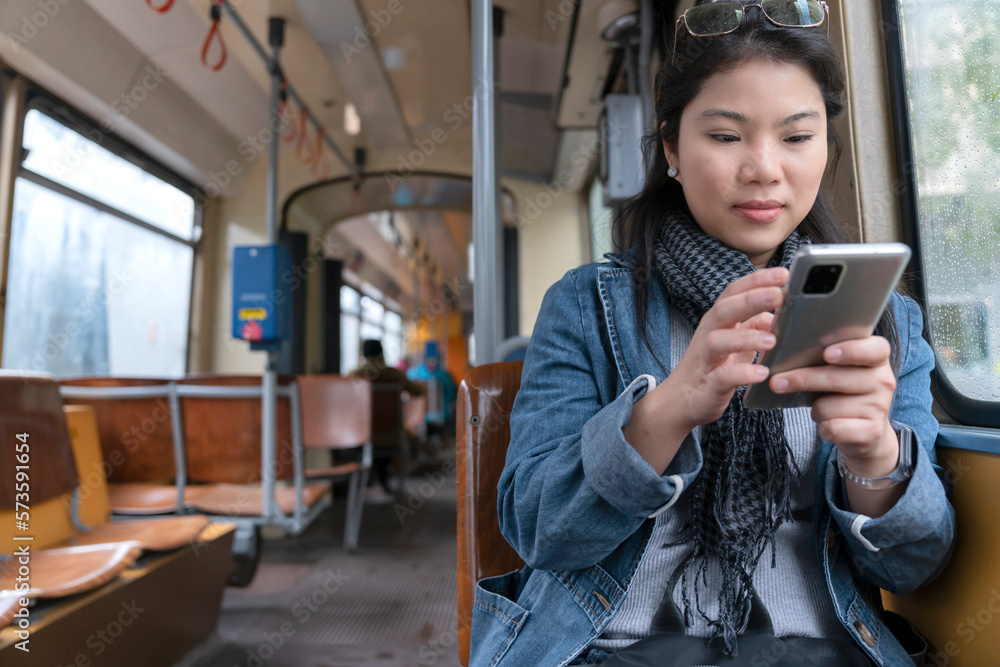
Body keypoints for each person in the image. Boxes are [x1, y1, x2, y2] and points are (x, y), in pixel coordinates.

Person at [471, 3, 955, 666]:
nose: (762, 168)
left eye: (796, 136)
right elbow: (539, 531)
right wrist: (667, 407)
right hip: (610, 648)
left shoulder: (885, 322)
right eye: (726, 136)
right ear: (671, 145)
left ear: (827, 149)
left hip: (814, 649)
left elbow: (916, 566)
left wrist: (876, 457)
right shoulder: (586, 305)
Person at [349, 339, 423, 494]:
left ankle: (373, 477)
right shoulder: (393, 374)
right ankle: (383, 476)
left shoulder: (354, 375)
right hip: (392, 433)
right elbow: (417, 391)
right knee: (391, 437)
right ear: (381, 352)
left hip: (362, 434)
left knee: (373, 439)